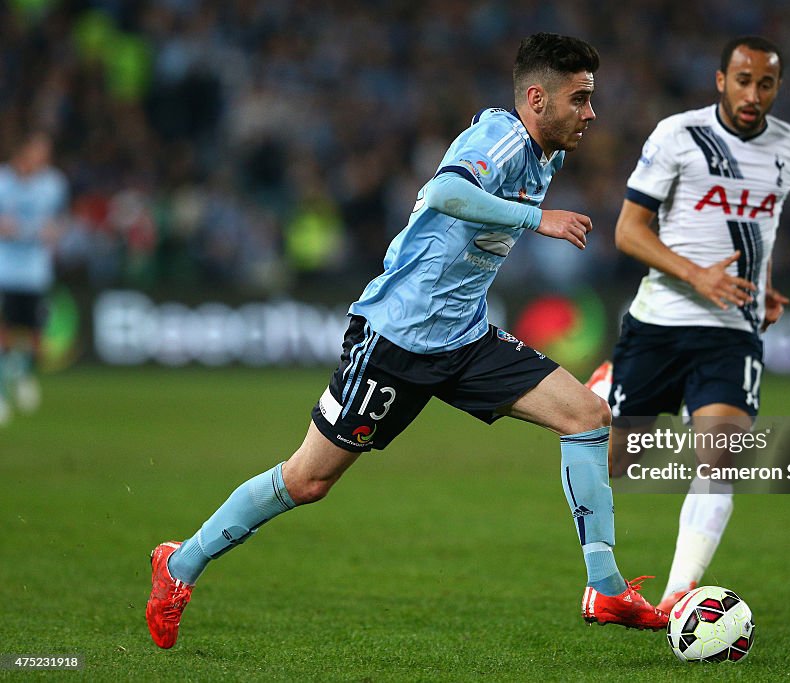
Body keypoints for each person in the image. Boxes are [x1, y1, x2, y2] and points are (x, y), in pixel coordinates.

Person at [146, 32, 668, 650]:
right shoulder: (500, 137)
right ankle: (179, 566)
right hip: (395, 338)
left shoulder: (547, 154)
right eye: (580, 99)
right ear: (536, 98)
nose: (591, 112)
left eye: (591, 99)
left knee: (586, 416)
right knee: (308, 481)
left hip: (465, 337)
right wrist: (538, 219)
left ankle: (605, 588)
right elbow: (444, 191)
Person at [585, 36, 790, 612]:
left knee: (721, 454)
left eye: (765, 84)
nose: (753, 94)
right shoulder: (677, 136)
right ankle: (606, 387)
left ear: (777, 88)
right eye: (742, 81)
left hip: (733, 331)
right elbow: (629, 231)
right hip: (659, 323)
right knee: (616, 462)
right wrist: (697, 276)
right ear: (720, 81)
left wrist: (756, 290)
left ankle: (676, 597)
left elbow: (757, 226)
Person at [0, 132, 68, 425]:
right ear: (22, 153)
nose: (41, 159)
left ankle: (22, 373)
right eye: (36, 152)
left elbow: (60, 222)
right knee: (3, 331)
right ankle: (2, 392)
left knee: (32, 332)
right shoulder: (2, 181)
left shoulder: (54, 184)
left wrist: (54, 232)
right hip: (4, 269)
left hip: (35, 272)